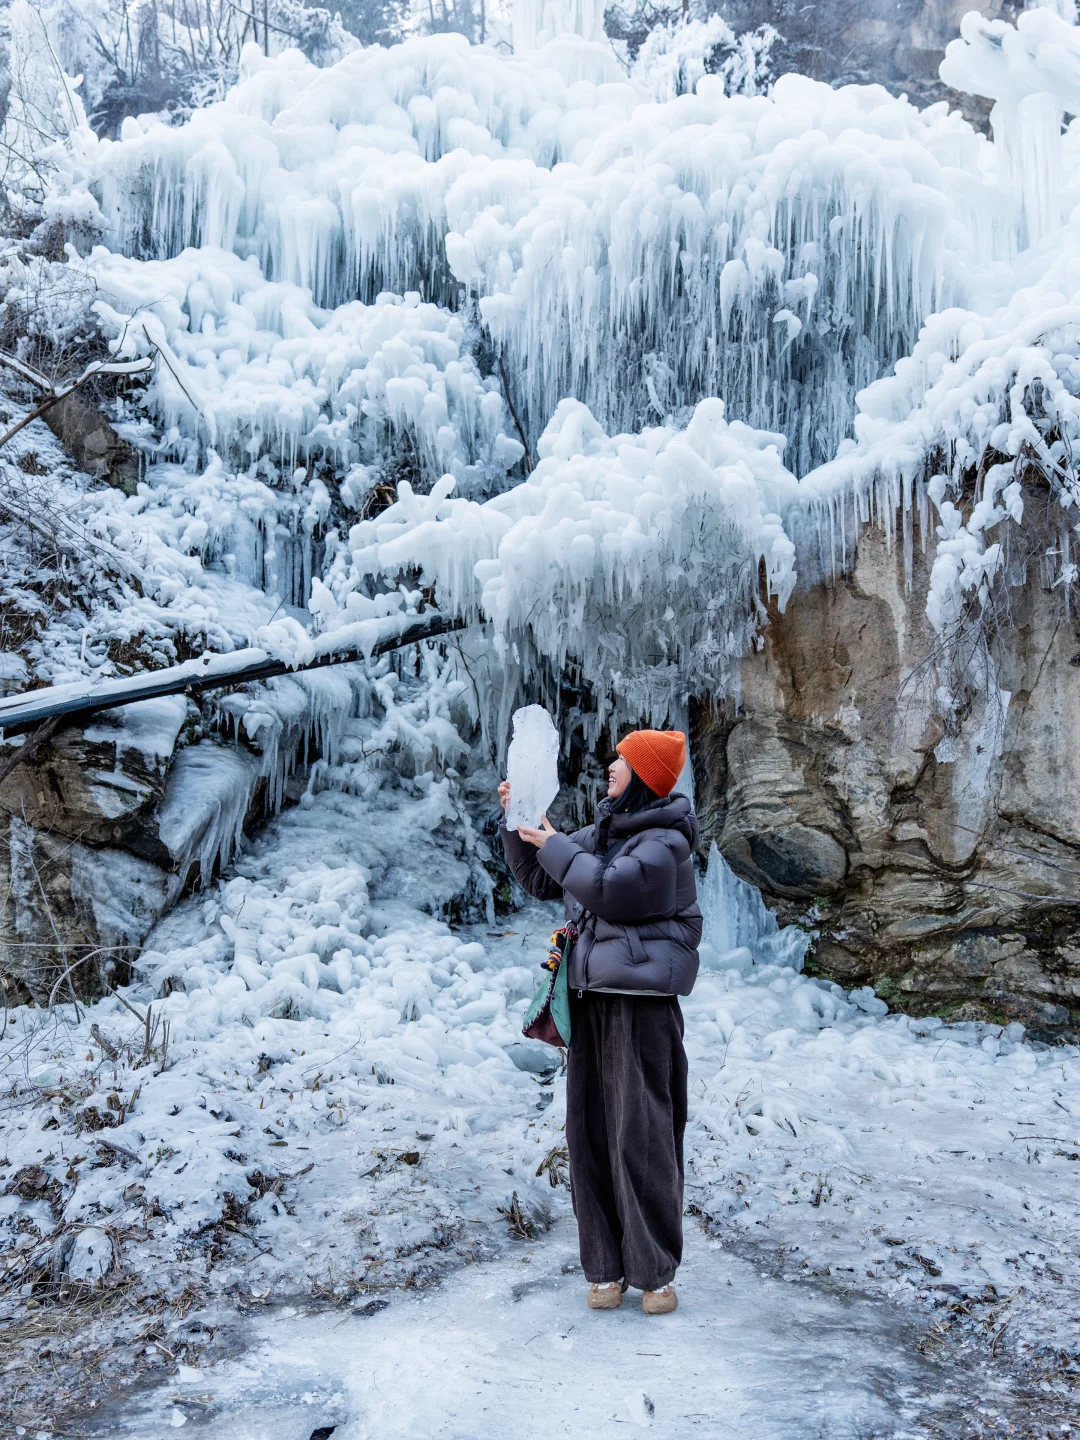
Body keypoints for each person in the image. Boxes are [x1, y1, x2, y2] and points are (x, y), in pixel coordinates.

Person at [499, 728, 701, 1316]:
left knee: (643, 1135)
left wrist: (558, 842)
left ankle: (655, 1272)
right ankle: (606, 1268)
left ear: (643, 775)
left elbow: (611, 891)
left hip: (641, 1008)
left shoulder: (664, 844)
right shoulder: (600, 836)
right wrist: (520, 822)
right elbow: (542, 878)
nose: (610, 766)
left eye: (622, 760)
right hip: (590, 1001)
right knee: (588, 1135)